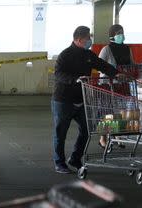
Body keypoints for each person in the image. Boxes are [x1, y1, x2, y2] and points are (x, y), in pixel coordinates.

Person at [51, 25, 118, 174]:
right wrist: (75, 79)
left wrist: (117, 74)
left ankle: (75, 158)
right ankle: (59, 163)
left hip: (82, 99)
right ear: (79, 40)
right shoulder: (65, 55)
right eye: (88, 38)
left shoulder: (88, 54)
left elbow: (102, 65)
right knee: (60, 133)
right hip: (63, 100)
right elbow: (58, 74)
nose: (90, 40)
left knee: (87, 130)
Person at [97, 24, 134, 147]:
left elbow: (132, 65)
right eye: (118, 33)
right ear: (112, 35)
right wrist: (113, 74)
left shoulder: (127, 49)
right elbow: (99, 66)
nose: (121, 35)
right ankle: (103, 138)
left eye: (122, 32)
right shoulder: (106, 49)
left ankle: (117, 135)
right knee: (107, 112)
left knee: (120, 112)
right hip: (108, 85)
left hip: (123, 85)